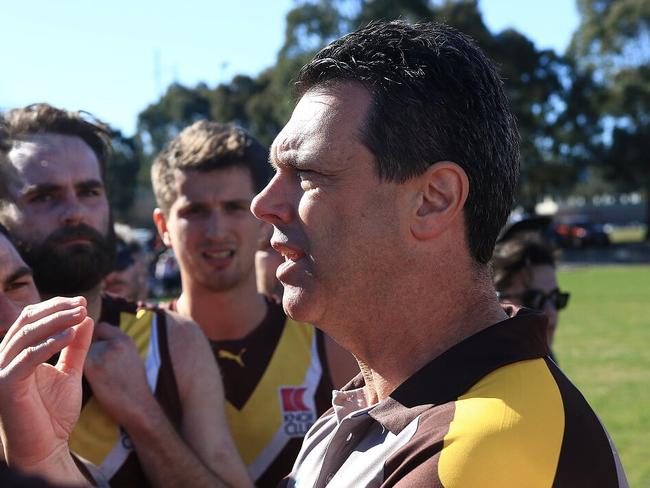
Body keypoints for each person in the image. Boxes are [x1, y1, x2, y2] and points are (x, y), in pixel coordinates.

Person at [250, 20, 628, 487]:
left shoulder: (479, 448)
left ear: (434, 200)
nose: (263, 204)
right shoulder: (371, 405)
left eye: (307, 172)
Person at [0, 104, 249, 487]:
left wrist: (142, 414)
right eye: (44, 196)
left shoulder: (173, 339)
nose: (75, 212)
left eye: (89, 191)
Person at [151, 120, 358, 486]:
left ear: (263, 220)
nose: (216, 231)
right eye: (194, 211)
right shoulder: (139, 344)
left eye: (233, 207)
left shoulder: (324, 340)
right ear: (163, 226)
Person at [493, 230, 569, 355]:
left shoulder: (545, 359)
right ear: (495, 299)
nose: (551, 312)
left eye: (556, 299)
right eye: (535, 299)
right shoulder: (476, 369)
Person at [102, 224, 150, 303]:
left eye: (120, 262)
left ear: (140, 264)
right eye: (102, 269)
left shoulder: (165, 314)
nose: (109, 277)